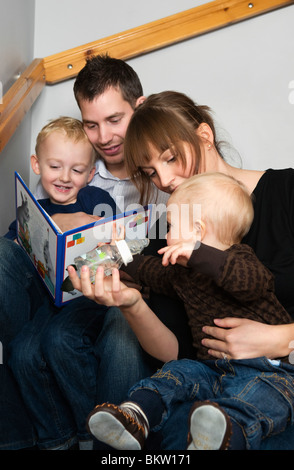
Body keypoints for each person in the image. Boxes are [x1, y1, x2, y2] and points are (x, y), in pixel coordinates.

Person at [68, 90, 294, 450]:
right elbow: (178, 353)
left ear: (204, 137)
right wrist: (130, 303)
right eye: (149, 172)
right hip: (207, 384)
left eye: (172, 158)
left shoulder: (287, 193)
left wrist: (283, 338)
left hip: (278, 382)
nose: (166, 179)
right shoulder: (172, 232)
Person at [0, 55, 170, 450]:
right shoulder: (83, 168)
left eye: (114, 120)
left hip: (130, 289)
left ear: (140, 108)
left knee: (110, 329)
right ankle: (31, 417)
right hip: (71, 287)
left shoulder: (164, 168)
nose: (104, 136)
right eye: (91, 124)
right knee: (7, 267)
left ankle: (108, 441)